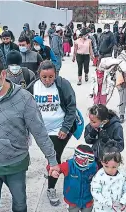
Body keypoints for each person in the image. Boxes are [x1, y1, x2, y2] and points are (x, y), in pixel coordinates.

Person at [0, 55, 60, 212]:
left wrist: (52, 160)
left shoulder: (24, 99)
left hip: (15, 163)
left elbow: (40, 132)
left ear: (3, 74)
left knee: (19, 205)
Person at [26, 60, 77, 206]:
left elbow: (71, 107)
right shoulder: (33, 87)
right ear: (39, 75)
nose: (47, 80)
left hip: (59, 130)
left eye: (51, 76)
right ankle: (50, 168)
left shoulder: (63, 84)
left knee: (54, 158)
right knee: (49, 156)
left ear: (55, 74)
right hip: (41, 131)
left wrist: (65, 128)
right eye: (44, 77)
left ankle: (51, 188)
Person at [50, 144, 98, 212]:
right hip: (72, 199)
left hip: (88, 199)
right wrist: (53, 171)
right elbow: (55, 167)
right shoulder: (68, 165)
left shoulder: (94, 167)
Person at [90, 144, 126, 212]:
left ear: (119, 163)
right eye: (106, 166)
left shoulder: (122, 175)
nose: (110, 170)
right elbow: (95, 192)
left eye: (114, 167)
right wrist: (108, 203)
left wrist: (123, 201)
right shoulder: (99, 176)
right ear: (102, 162)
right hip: (101, 209)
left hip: (116, 208)